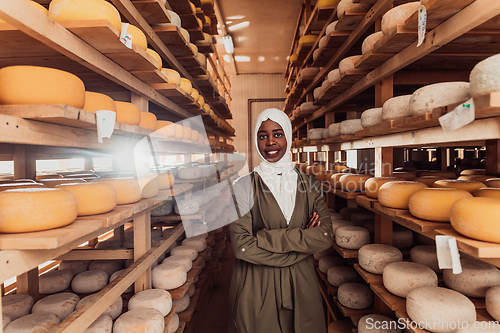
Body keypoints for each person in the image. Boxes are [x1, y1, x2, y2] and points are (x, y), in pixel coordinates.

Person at [228, 108, 334, 333]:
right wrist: (303, 245)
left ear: (287, 136)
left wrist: (265, 237)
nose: (270, 142)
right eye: (263, 136)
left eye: (277, 134)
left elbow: (325, 236)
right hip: (256, 286)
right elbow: (242, 247)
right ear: (256, 140)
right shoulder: (243, 187)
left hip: (301, 284)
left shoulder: (311, 185)